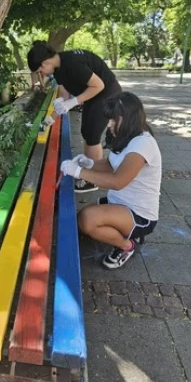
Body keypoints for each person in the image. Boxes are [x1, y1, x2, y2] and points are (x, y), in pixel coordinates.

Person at [58, 92, 161, 269]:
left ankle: (127, 246)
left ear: (128, 118)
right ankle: (127, 233)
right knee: (81, 219)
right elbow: (111, 164)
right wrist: (90, 163)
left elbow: (117, 181)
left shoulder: (143, 144)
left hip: (139, 213)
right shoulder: (128, 135)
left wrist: (80, 172)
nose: (110, 124)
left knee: (88, 220)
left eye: (114, 119)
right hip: (121, 202)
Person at [27, 41, 122, 193]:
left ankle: (93, 180)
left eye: (40, 70)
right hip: (93, 95)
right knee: (86, 132)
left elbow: (99, 85)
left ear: (45, 63)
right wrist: (49, 120)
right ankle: (89, 171)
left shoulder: (72, 63)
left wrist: (74, 101)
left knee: (92, 135)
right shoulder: (58, 68)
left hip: (107, 94)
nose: (42, 74)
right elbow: (64, 97)